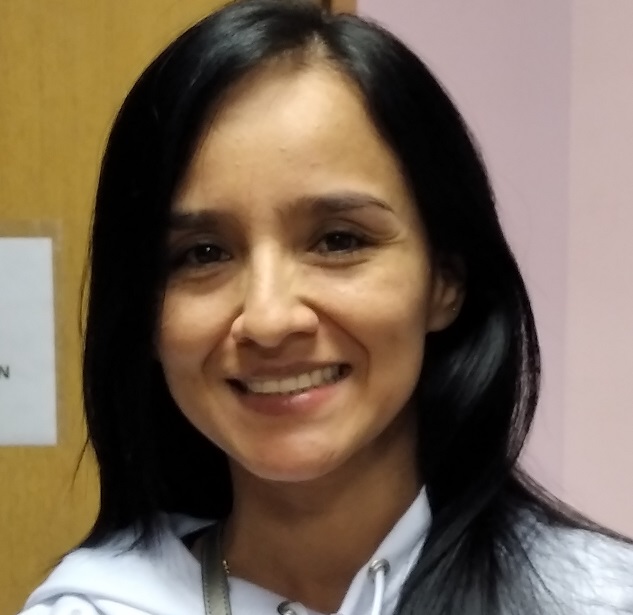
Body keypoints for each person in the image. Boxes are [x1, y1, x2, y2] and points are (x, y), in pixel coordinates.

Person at [19, 1, 633, 614]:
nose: (268, 319)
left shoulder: (596, 599)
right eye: (203, 253)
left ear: (444, 280)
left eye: (339, 241)